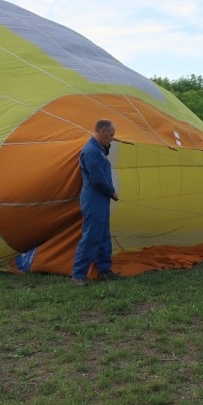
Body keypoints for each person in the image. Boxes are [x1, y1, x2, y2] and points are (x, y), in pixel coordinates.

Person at [71, 119, 124, 284]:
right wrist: (112, 193)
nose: (112, 139)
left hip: (100, 199)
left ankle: (104, 270)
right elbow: (98, 180)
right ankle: (78, 275)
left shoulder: (99, 149)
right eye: (111, 135)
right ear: (102, 132)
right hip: (94, 198)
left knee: (103, 236)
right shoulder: (91, 151)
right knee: (91, 236)